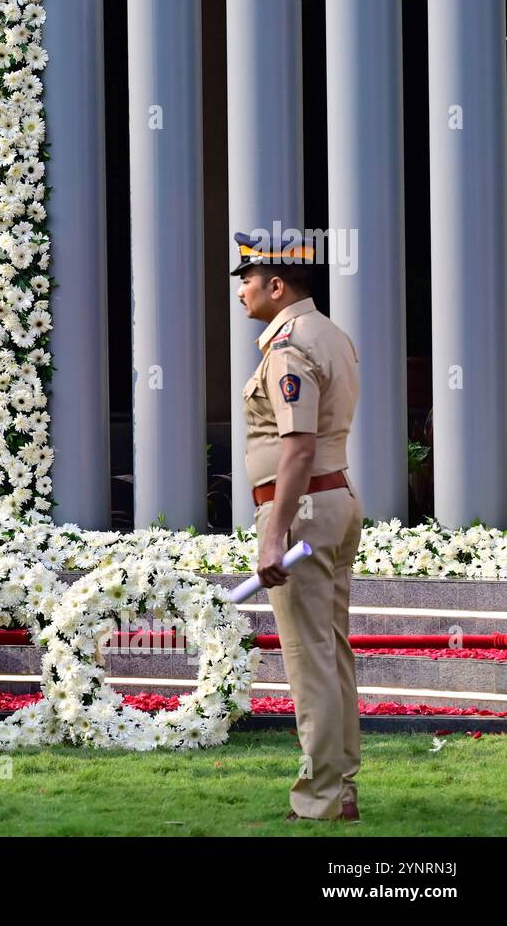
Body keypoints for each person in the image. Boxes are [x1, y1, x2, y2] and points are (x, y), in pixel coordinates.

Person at [233, 230, 363, 822]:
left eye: (247, 280)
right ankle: (342, 790)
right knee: (330, 651)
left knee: (308, 656)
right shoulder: (330, 334)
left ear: (276, 285)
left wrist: (271, 533)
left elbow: (298, 449)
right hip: (333, 501)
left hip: (303, 508)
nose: (241, 291)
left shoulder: (287, 348)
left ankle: (319, 798)